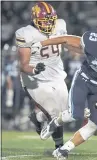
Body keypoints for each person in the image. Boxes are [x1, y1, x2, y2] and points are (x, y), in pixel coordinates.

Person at [15, 2, 69, 149]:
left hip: (57, 75)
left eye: (50, 21)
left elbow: (68, 42)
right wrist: (34, 70)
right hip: (35, 78)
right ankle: (60, 148)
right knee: (54, 112)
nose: (48, 25)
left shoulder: (61, 25)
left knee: (65, 113)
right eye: (44, 21)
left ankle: (38, 118)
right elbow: (23, 64)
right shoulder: (25, 33)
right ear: (34, 19)